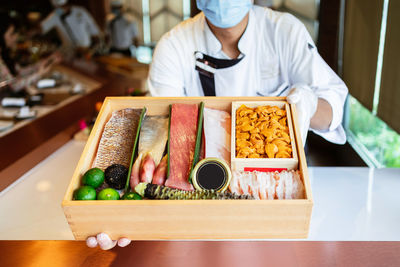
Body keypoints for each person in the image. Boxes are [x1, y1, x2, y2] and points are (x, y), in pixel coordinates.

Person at [87, 0, 348, 250]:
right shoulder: (174, 45)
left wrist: (309, 104)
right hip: (196, 208)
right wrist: (124, 215)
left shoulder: (284, 30)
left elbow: (332, 110)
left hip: (276, 205)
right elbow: (159, 129)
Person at [0, 19, 60, 92]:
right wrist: (39, 74)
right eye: (12, 34)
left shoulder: (5, 55)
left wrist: (42, 63)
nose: (16, 37)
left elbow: (20, 72)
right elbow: (14, 86)